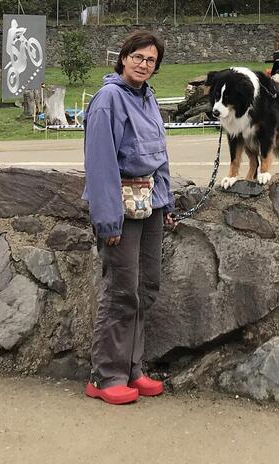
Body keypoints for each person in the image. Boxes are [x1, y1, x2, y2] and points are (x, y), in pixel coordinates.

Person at [82, 30, 175, 405]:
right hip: (119, 207)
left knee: (145, 287)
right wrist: (108, 220)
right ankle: (106, 376)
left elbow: (159, 156)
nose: (144, 64)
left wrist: (167, 202)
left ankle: (133, 369)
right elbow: (100, 164)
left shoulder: (148, 98)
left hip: (149, 204)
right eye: (138, 57)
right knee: (121, 291)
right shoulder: (108, 100)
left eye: (151, 60)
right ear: (123, 58)